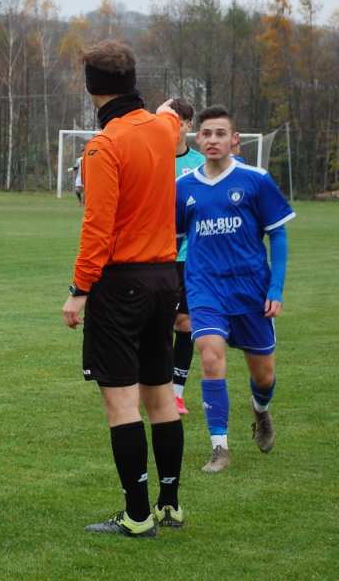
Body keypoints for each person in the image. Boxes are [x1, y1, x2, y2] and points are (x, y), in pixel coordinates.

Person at [61, 40, 184, 537]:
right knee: (161, 396)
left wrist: (78, 289)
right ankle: (170, 505)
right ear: (132, 80)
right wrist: (169, 111)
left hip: (122, 284)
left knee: (121, 403)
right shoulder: (163, 130)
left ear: (90, 87)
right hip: (165, 279)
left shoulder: (103, 145)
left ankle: (136, 516)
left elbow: (98, 227)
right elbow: (173, 119)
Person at [176, 105, 294, 473]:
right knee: (210, 356)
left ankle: (260, 410)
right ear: (199, 138)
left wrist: (275, 288)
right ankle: (219, 448)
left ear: (235, 140)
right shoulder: (183, 188)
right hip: (205, 288)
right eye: (207, 133)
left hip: (251, 290)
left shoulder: (256, 180)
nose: (212, 140)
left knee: (264, 376)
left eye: (220, 134)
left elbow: (279, 235)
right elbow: (174, 242)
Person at [169, 98, 206, 415]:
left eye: (176, 120)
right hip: (153, 256)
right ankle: (155, 385)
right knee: (155, 326)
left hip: (190, 256)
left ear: (187, 125)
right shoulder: (151, 158)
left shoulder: (198, 164)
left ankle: (175, 393)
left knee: (185, 324)